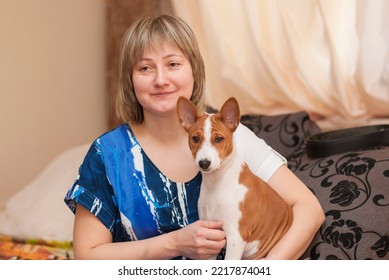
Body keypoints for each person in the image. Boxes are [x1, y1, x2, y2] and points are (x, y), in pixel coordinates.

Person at [64, 14, 324, 260]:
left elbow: (308, 209)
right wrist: (174, 243)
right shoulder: (108, 153)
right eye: (145, 68)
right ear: (129, 80)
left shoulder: (232, 139)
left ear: (194, 71)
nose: (161, 79)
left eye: (173, 64)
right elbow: (87, 256)